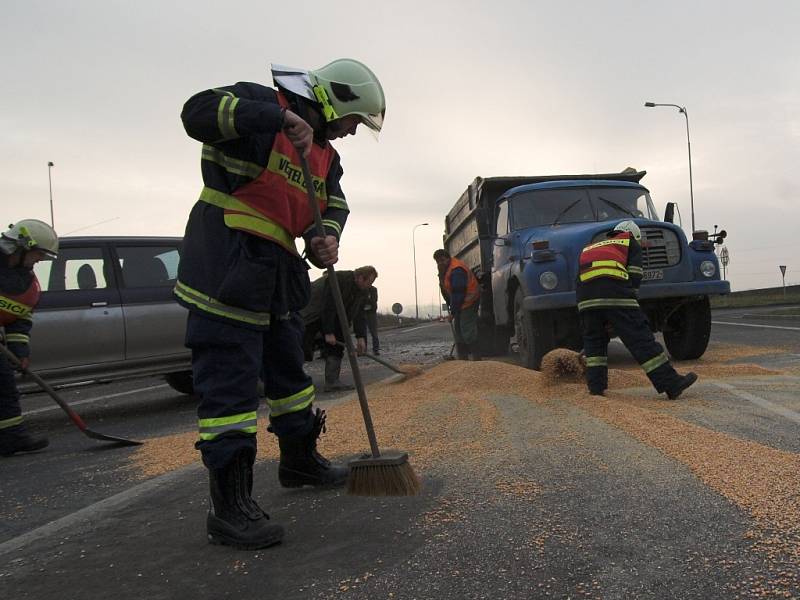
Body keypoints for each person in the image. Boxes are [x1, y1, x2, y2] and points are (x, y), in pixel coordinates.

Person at [175, 59, 385, 550]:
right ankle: (229, 507)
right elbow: (196, 113)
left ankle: (298, 460)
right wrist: (273, 120)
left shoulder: (327, 157)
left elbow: (335, 205)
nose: (353, 133)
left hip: (279, 269)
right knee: (230, 384)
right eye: (354, 121)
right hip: (227, 260)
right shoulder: (263, 102)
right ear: (336, 100)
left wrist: (323, 237)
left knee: (290, 374)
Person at [576, 220, 697, 399]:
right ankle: (671, 383)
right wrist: (629, 302)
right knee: (640, 340)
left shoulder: (592, 247)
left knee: (594, 344)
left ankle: (596, 389)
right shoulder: (629, 242)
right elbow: (634, 275)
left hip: (586, 300)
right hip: (615, 295)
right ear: (634, 235)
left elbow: (579, 277)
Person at [0, 219, 59, 456]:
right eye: (38, 254)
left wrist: (19, 351)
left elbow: (19, 319)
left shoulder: (25, 282)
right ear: (23, 246)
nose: (40, 260)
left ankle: (11, 439)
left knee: (4, 386)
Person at [301, 266, 378, 392]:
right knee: (302, 346)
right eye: (368, 282)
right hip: (312, 314)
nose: (369, 286)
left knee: (337, 346)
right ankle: (290, 381)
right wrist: (328, 332)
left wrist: (361, 337)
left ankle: (332, 382)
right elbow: (328, 305)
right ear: (359, 278)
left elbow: (359, 314)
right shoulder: (339, 279)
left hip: (336, 317)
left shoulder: (362, 290)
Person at [434, 249, 481, 360]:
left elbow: (458, 293)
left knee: (467, 330)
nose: (440, 263)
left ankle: (478, 360)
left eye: (442, 260)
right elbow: (447, 291)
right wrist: (451, 307)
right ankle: (462, 360)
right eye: (438, 262)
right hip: (461, 302)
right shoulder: (445, 271)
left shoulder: (456, 270)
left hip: (469, 301)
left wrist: (453, 312)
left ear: (448, 258)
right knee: (458, 330)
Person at [363, 284, 380, 355]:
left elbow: (374, 300)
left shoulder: (373, 289)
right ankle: (363, 350)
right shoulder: (361, 288)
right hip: (362, 313)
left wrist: (366, 301)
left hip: (371, 313)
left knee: (374, 332)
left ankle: (376, 350)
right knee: (363, 332)